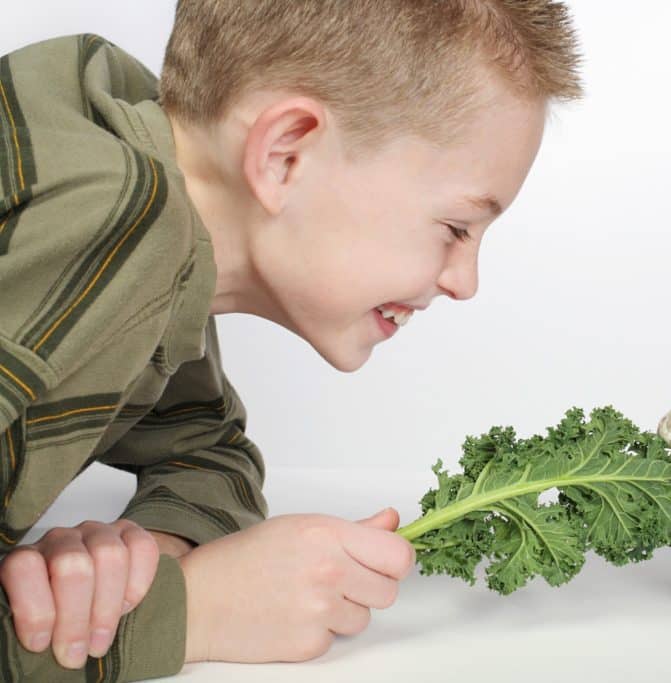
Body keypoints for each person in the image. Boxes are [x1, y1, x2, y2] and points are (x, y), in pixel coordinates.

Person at [0, 1, 582, 679]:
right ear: (285, 154)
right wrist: (196, 609)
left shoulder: (163, 232)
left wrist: (138, 560)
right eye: (455, 228)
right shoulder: (119, 224)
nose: (466, 281)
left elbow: (210, 452)